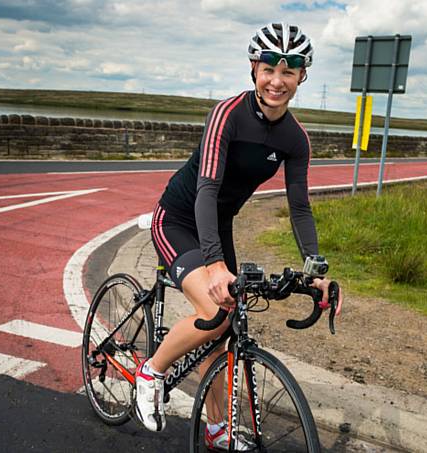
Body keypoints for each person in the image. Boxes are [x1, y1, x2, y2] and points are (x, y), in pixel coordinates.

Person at [134, 22, 343, 448]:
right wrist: (213, 265)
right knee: (215, 311)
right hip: (177, 217)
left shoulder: (294, 138)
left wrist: (315, 268)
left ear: (303, 75)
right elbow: (206, 189)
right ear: (254, 68)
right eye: (269, 67)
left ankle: (217, 429)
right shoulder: (227, 114)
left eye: (290, 70)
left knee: (225, 330)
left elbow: (299, 207)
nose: (277, 81)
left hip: (217, 226)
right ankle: (150, 372)